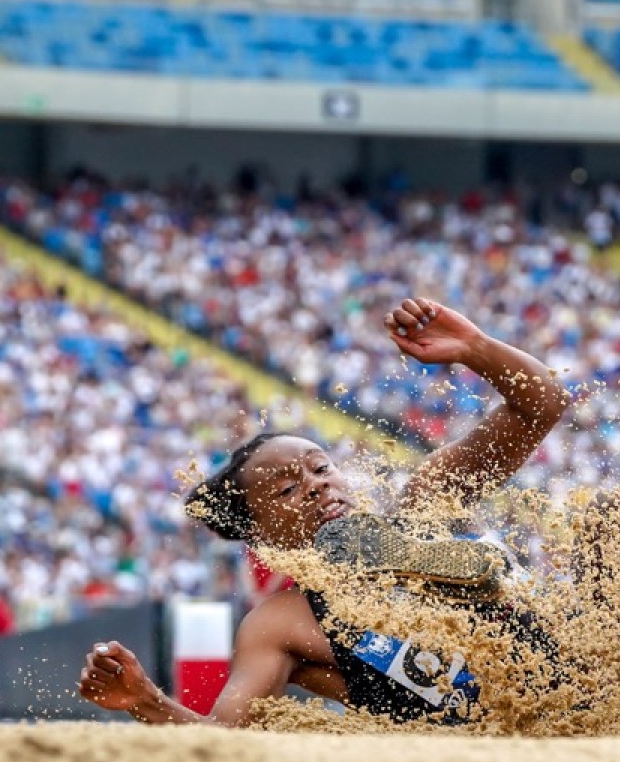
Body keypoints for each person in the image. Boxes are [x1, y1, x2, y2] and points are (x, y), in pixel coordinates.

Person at [77, 296, 572, 727]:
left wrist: (474, 348)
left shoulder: (425, 502)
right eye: (288, 488)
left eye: (320, 468)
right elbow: (225, 740)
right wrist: (145, 702)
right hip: (532, 732)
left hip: (602, 672)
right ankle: (450, 621)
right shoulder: (282, 624)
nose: (315, 487)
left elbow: (543, 404)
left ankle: (465, 591)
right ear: (261, 535)